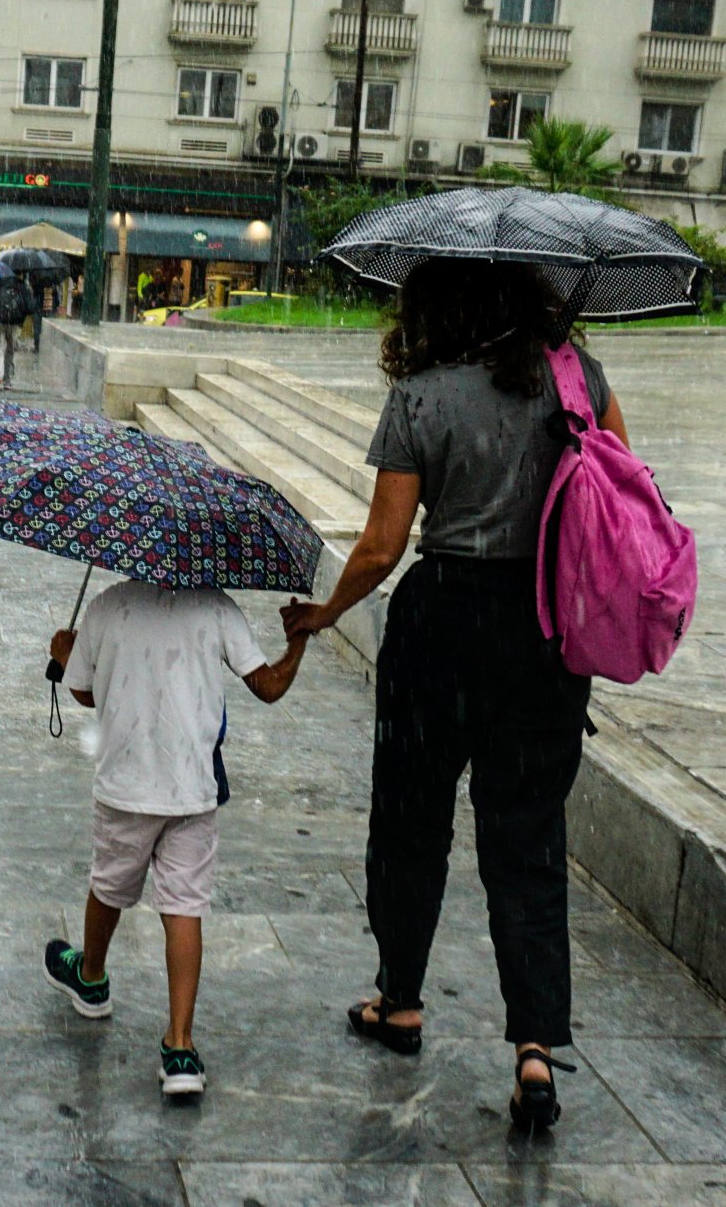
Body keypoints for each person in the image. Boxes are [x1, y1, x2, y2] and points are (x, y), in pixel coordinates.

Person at [282, 257, 629, 1132]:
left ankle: (400, 1002)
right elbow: (619, 493)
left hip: (441, 626)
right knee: (527, 838)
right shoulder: (580, 378)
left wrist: (324, 614)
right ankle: (536, 1050)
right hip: (547, 633)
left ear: (437, 305)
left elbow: (381, 544)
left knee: (409, 822)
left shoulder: (422, 395)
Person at [44, 581, 311, 1099]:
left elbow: (84, 691)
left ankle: (92, 976)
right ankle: (181, 1046)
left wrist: (66, 652)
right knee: (185, 908)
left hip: (125, 786)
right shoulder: (217, 607)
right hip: (192, 790)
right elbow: (270, 685)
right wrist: (299, 639)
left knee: (109, 886)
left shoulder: (107, 605)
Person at [0, 274, 33, 390]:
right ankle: (7, 379)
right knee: (9, 350)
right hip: (16, 323)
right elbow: (29, 307)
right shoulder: (22, 285)